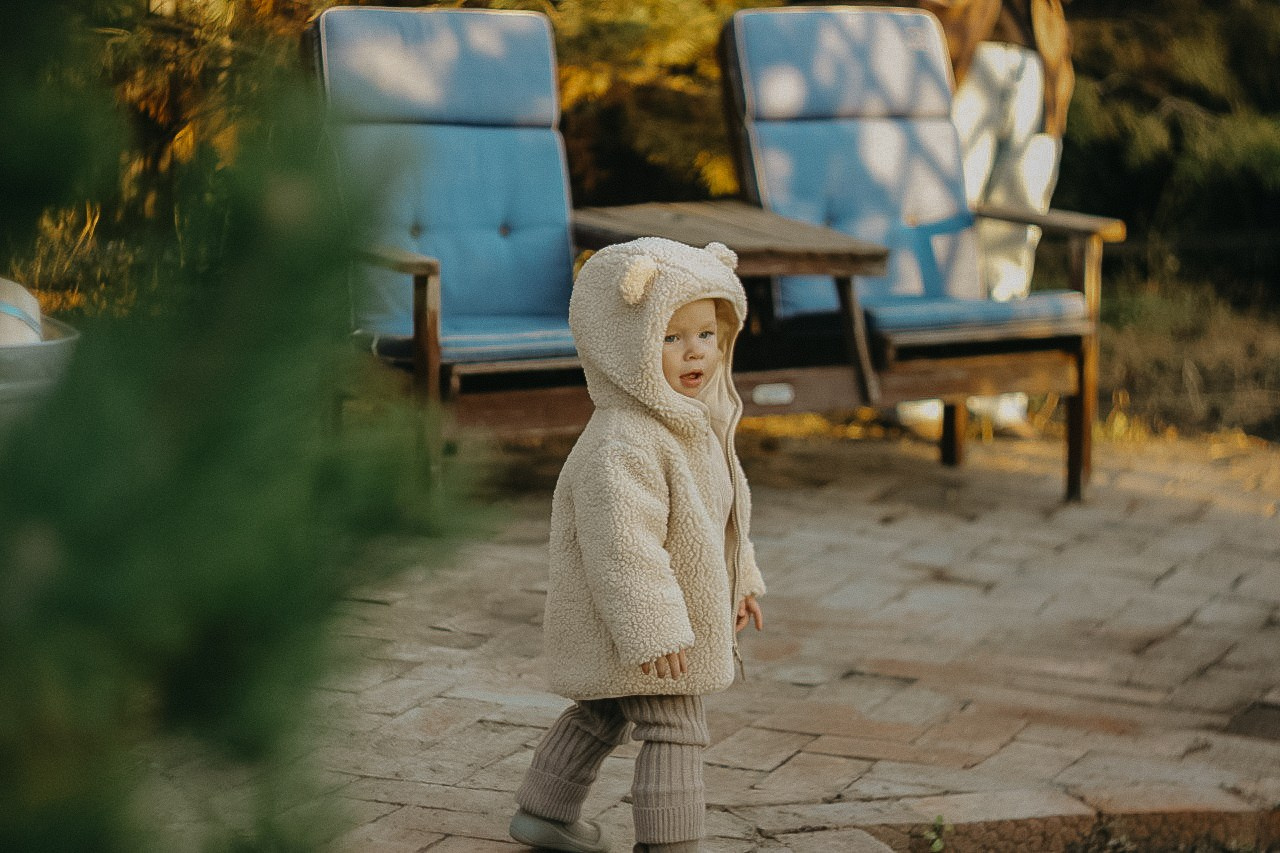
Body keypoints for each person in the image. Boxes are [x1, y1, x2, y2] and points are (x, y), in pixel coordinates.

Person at [508, 237, 766, 853]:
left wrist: (743, 578)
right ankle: (669, 844)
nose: (694, 351)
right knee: (676, 725)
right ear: (625, 348)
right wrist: (653, 627)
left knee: (604, 711)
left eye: (705, 332)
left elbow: (720, 518)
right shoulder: (623, 443)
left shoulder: (693, 422)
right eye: (671, 338)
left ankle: (544, 813)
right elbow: (622, 546)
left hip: (652, 622)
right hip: (643, 623)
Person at [900, 0, 1075, 438]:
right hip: (960, 52)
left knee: (1016, 238)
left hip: (1039, 62)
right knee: (943, 230)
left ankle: (999, 395)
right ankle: (921, 394)